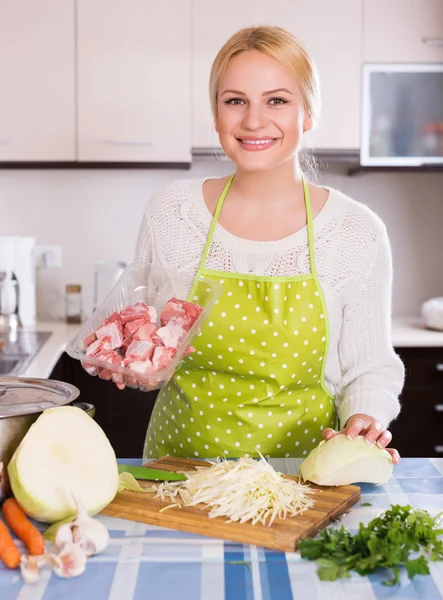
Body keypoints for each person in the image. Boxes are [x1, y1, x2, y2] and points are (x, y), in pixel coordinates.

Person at [134, 25, 404, 462]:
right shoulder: (170, 214)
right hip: (177, 473)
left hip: (301, 483)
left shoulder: (356, 232)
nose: (253, 120)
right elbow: (145, 332)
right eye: (235, 100)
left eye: (277, 100)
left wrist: (364, 420)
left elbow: (370, 367)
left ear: (308, 113)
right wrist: (138, 365)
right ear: (216, 114)